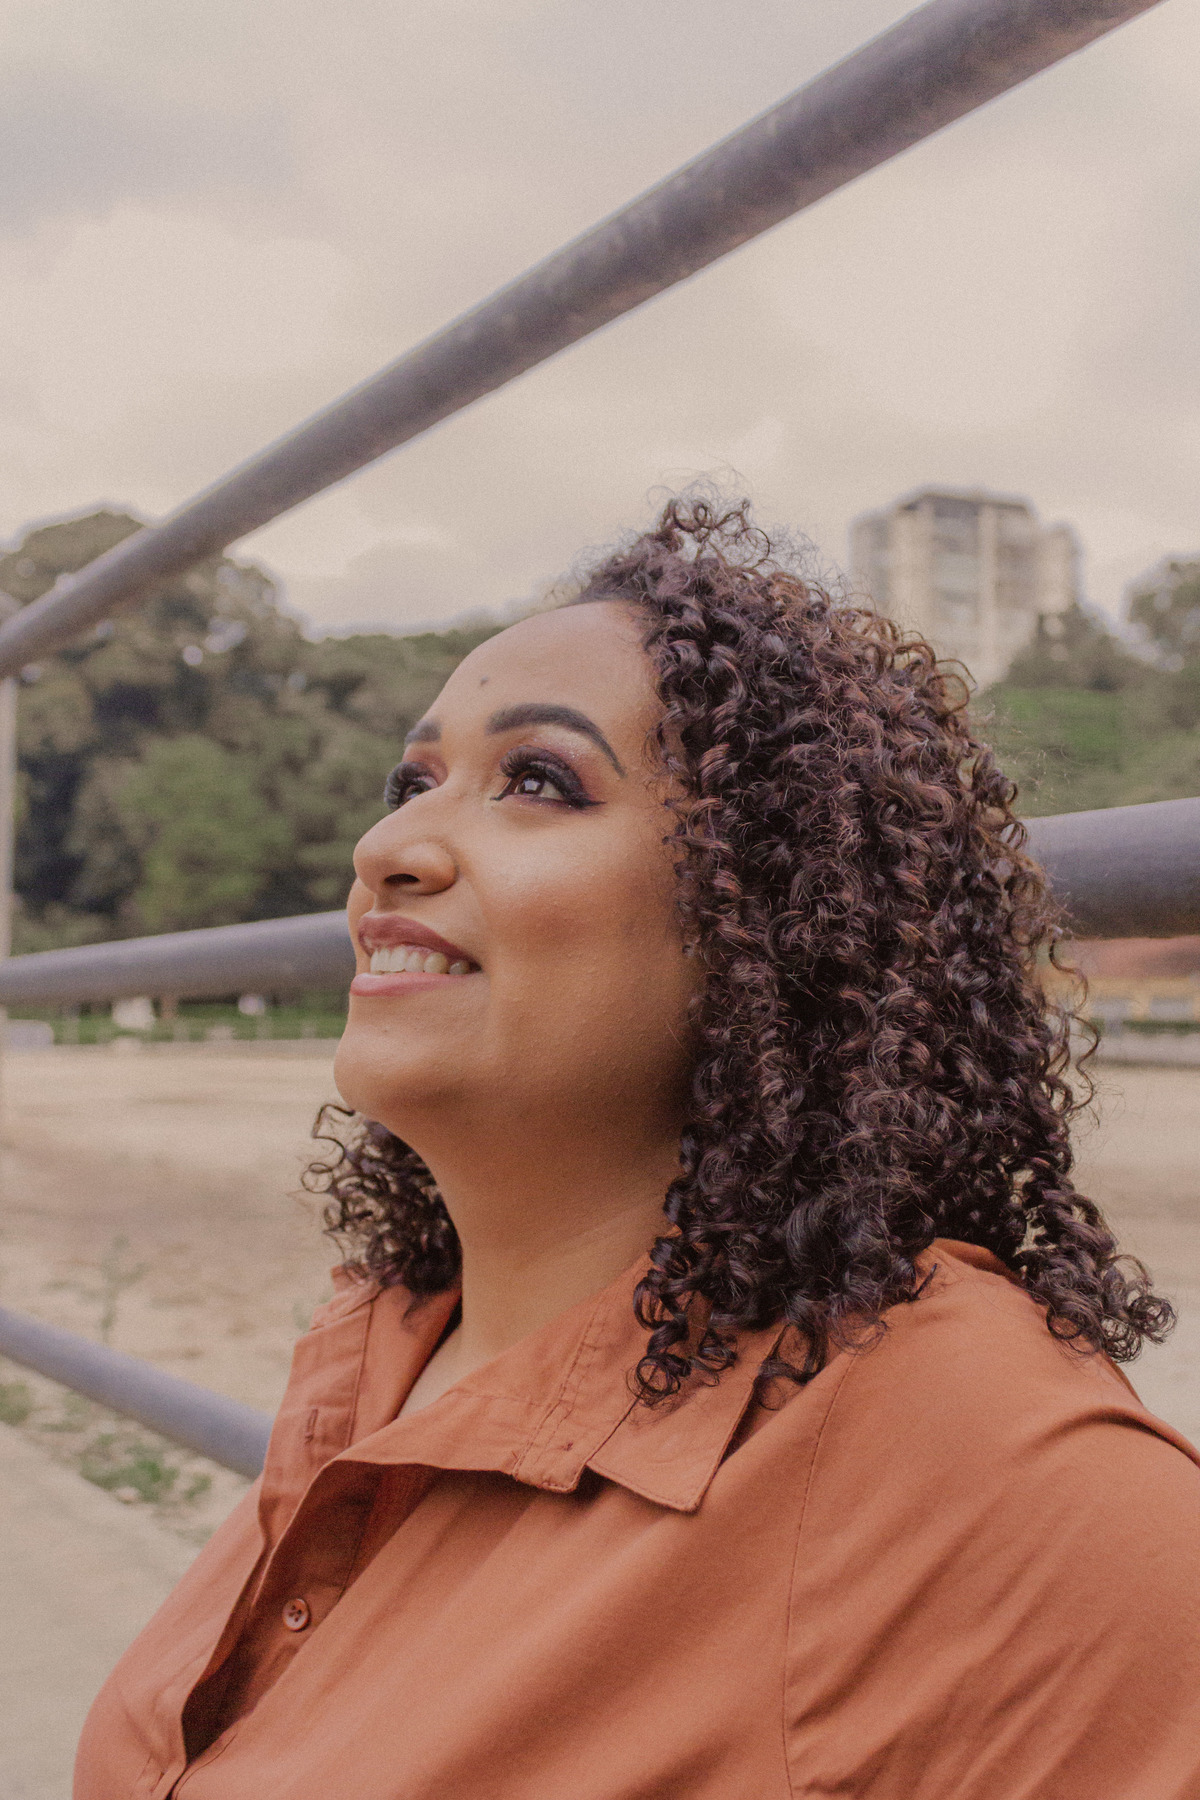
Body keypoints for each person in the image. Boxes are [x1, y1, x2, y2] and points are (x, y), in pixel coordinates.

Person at [77, 500, 1200, 1799]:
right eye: (412, 783)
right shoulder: (384, 1344)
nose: (384, 849)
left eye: (538, 782)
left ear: (772, 914)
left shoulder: (968, 1472)